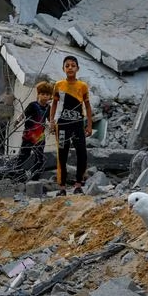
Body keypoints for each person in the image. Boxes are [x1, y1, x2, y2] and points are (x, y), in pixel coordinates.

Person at [50, 55, 94, 195]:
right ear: (63, 68)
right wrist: (51, 122)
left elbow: (87, 106)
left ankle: (78, 185)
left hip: (77, 125)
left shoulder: (82, 86)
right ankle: (62, 187)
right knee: (62, 155)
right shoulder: (58, 85)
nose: (70, 68)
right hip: (62, 126)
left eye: (73, 65)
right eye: (67, 65)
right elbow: (54, 104)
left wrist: (89, 125)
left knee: (82, 154)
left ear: (77, 68)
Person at [8, 81, 53, 181]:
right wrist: (17, 121)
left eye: (47, 94)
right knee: (24, 155)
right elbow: (23, 115)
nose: (45, 96)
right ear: (38, 94)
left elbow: (50, 119)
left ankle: (35, 178)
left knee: (39, 158)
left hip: (40, 136)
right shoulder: (33, 105)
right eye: (43, 94)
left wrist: (52, 127)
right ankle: (15, 174)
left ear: (50, 96)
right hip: (28, 135)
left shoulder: (48, 108)